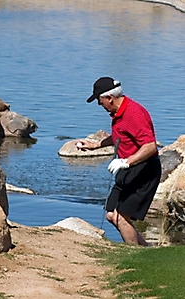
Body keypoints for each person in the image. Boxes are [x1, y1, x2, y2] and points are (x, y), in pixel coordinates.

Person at [75, 77, 161, 246]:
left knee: (121, 217)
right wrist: (94, 145)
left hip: (144, 169)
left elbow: (150, 146)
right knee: (111, 215)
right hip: (128, 168)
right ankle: (146, 250)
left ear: (109, 98)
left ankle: (134, 257)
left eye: (100, 102)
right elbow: (118, 137)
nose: (100, 106)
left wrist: (126, 162)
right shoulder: (118, 113)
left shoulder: (134, 113)